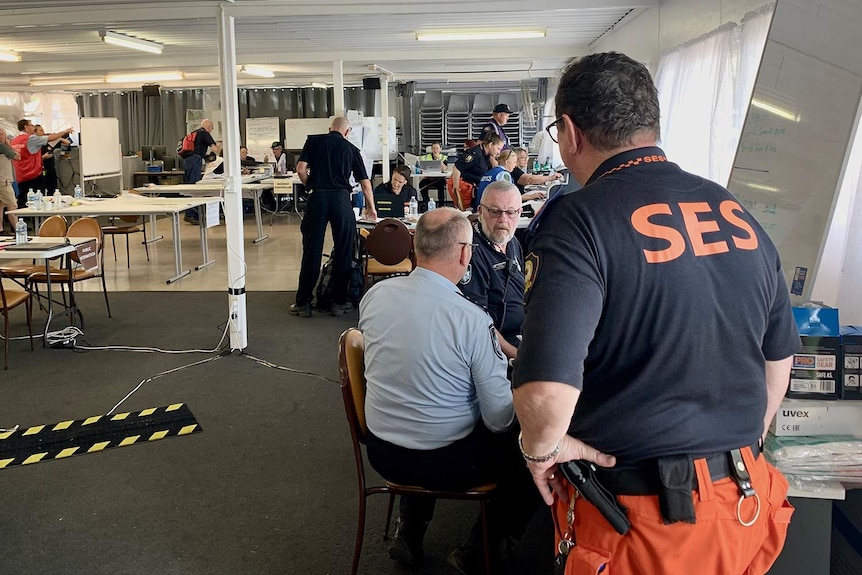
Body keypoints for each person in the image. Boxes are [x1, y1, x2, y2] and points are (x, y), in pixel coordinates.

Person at [512, 51, 800, 574]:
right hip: (742, 501)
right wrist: (735, 438)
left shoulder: (579, 221)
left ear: (571, 133)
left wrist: (541, 451)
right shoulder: (731, 209)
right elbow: (778, 357)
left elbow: (545, 392)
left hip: (643, 521)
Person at [361, 207, 538, 573]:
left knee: (426, 403)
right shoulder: (471, 320)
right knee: (536, 447)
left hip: (381, 452)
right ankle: (476, 549)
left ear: (416, 245)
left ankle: (409, 531)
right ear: (464, 253)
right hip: (449, 463)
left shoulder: (375, 297)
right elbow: (500, 419)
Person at [290, 116, 376, 318]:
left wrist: (310, 185)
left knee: (312, 250)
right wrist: (371, 208)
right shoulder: (351, 149)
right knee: (344, 250)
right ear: (347, 132)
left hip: (317, 198)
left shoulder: (314, 141)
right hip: (341, 200)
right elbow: (365, 183)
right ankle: (339, 302)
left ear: (330, 129)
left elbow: (301, 169)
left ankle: (303, 303)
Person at [458, 181, 524, 360]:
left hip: (524, 333)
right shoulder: (471, 253)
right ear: (480, 210)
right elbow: (479, 323)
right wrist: (516, 355)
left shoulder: (512, 242)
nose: (503, 220)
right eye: (494, 211)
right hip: (496, 348)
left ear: (519, 213)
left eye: (511, 212)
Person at [11, 119, 74, 208]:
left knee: (24, 199)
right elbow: (51, 138)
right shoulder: (31, 139)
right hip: (32, 174)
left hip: (22, 175)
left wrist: (60, 140)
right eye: (31, 125)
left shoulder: (14, 141)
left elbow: (66, 144)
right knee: (35, 200)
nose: (43, 132)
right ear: (26, 127)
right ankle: (36, 219)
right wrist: (65, 131)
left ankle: (23, 219)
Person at [450, 132, 503, 211]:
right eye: (498, 148)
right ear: (491, 145)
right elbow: (457, 167)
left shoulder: (487, 155)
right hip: (466, 188)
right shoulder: (474, 154)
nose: (499, 152)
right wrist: (456, 188)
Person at [182, 118, 217, 224]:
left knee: (190, 187)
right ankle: (191, 215)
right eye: (212, 127)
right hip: (195, 161)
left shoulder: (194, 133)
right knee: (194, 188)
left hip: (187, 161)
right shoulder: (204, 133)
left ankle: (192, 213)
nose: (212, 129)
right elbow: (215, 148)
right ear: (208, 127)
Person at [34, 124, 68, 195]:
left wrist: (58, 138)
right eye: (41, 130)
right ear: (35, 132)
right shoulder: (33, 144)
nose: (43, 132)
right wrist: (43, 157)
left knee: (53, 189)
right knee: (41, 191)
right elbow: (32, 159)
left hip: (50, 169)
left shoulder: (48, 142)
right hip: (40, 170)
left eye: (43, 130)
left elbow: (67, 143)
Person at [0, 127, 21, 232]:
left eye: (3, 134)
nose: (2, 137)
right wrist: (9, 144)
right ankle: (18, 230)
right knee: (12, 205)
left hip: (2, 179)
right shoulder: (2, 146)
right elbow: (17, 157)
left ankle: (1, 230)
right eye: (1, 134)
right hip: (4, 181)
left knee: (0, 205)